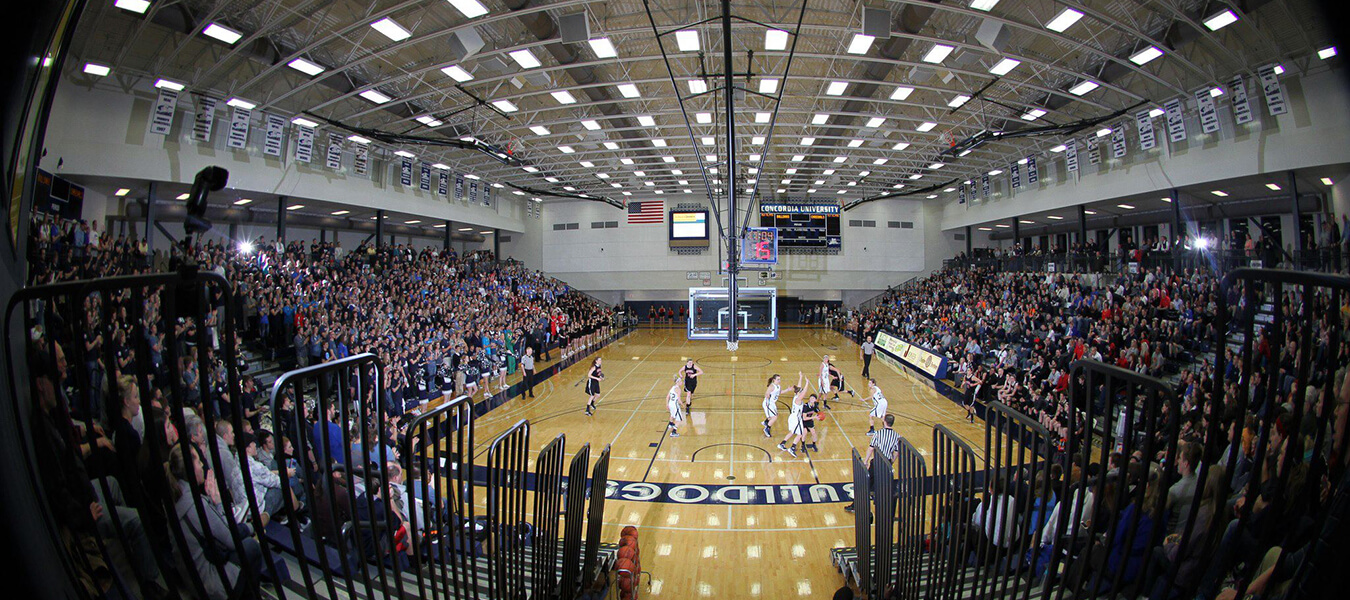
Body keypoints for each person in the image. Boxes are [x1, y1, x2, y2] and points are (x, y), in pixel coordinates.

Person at [776, 373, 810, 457]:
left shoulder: (796, 395)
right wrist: (807, 383)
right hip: (796, 418)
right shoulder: (798, 399)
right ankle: (792, 448)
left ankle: (782, 444)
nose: (801, 391)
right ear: (799, 392)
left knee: (792, 432)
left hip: (792, 417)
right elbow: (804, 392)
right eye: (800, 391)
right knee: (800, 434)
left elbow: (798, 388)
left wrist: (800, 377)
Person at [762, 374, 782, 438]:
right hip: (768, 403)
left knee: (775, 415)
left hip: (772, 403)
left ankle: (766, 422)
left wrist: (788, 390)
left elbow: (780, 392)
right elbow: (766, 394)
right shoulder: (771, 386)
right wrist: (767, 396)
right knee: (774, 417)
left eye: (779, 379)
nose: (779, 380)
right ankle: (767, 428)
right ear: (774, 380)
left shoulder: (778, 386)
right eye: (778, 379)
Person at [665, 373, 685, 437]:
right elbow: (679, 400)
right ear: (678, 382)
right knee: (679, 420)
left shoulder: (672, 387)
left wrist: (667, 404)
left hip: (670, 403)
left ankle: (670, 424)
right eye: (681, 381)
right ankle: (673, 432)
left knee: (672, 414)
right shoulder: (678, 389)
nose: (682, 382)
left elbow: (667, 397)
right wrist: (682, 405)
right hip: (675, 405)